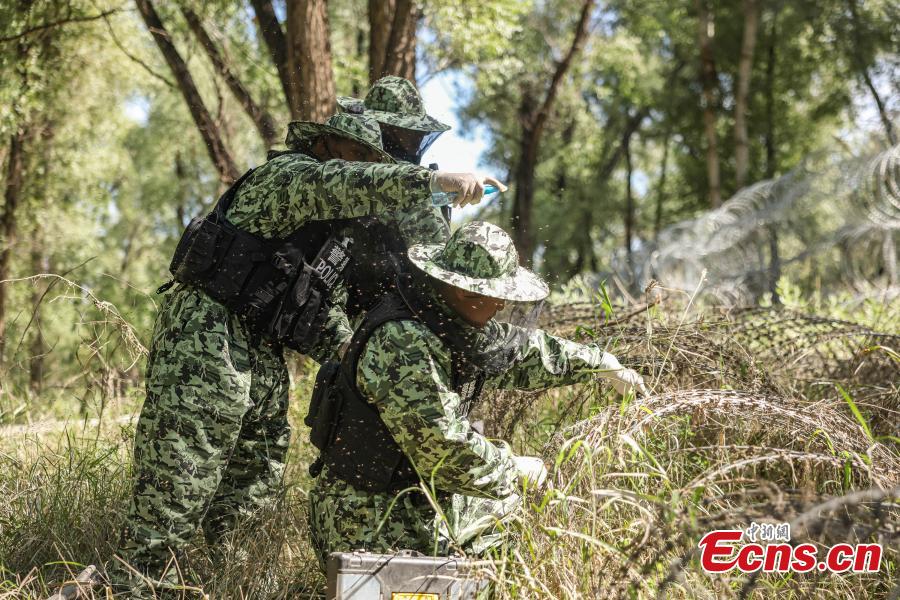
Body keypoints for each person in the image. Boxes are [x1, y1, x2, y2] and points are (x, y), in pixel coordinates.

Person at [110, 114, 501, 596]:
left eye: (370, 158)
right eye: (356, 154)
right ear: (324, 144)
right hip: (206, 333)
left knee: (256, 476)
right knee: (179, 476)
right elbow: (341, 184)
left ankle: (232, 583)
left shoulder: (328, 233)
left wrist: (352, 349)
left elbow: (314, 306)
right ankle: (139, 585)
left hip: (261, 349)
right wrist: (433, 182)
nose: (361, 165)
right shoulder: (290, 176)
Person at [306, 221, 648, 567]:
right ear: (465, 292)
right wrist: (512, 468)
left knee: (513, 516)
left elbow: (522, 351)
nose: (501, 305)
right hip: (368, 516)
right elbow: (442, 448)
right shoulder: (404, 340)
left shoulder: (445, 317)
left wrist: (601, 365)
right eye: (496, 295)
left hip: (417, 495)